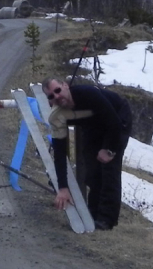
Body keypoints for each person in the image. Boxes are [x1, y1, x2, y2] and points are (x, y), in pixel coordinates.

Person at [41, 77, 132, 230]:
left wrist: (109, 149)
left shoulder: (88, 94)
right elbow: (60, 152)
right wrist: (63, 187)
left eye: (57, 90)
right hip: (92, 125)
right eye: (51, 96)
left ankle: (106, 219)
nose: (56, 96)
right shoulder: (57, 116)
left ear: (65, 86)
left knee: (108, 169)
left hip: (117, 119)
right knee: (92, 171)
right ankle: (92, 214)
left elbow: (113, 122)